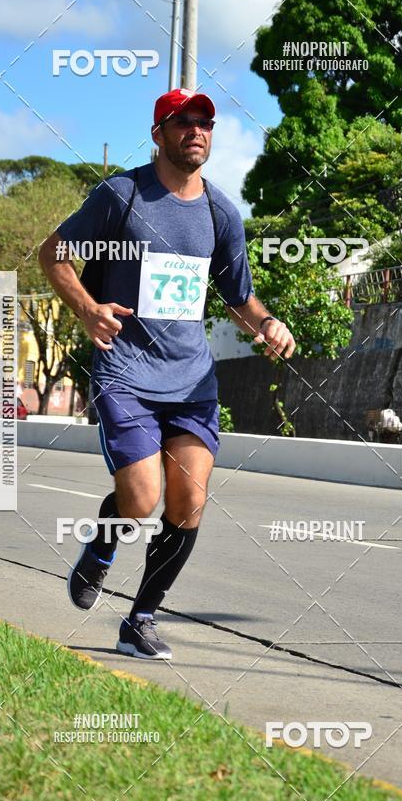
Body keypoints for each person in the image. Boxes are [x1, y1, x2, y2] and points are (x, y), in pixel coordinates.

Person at [38, 88, 295, 660]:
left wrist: (268, 324)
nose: (197, 130)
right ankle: (103, 545)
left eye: (205, 121)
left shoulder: (219, 213)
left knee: (188, 502)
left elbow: (240, 297)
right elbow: (53, 252)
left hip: (191, 381)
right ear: (159, 133)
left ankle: (141, 618)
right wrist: (87, 308)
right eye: (184, 122)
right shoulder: (121, 197)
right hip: (126, 373)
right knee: (141, 499)